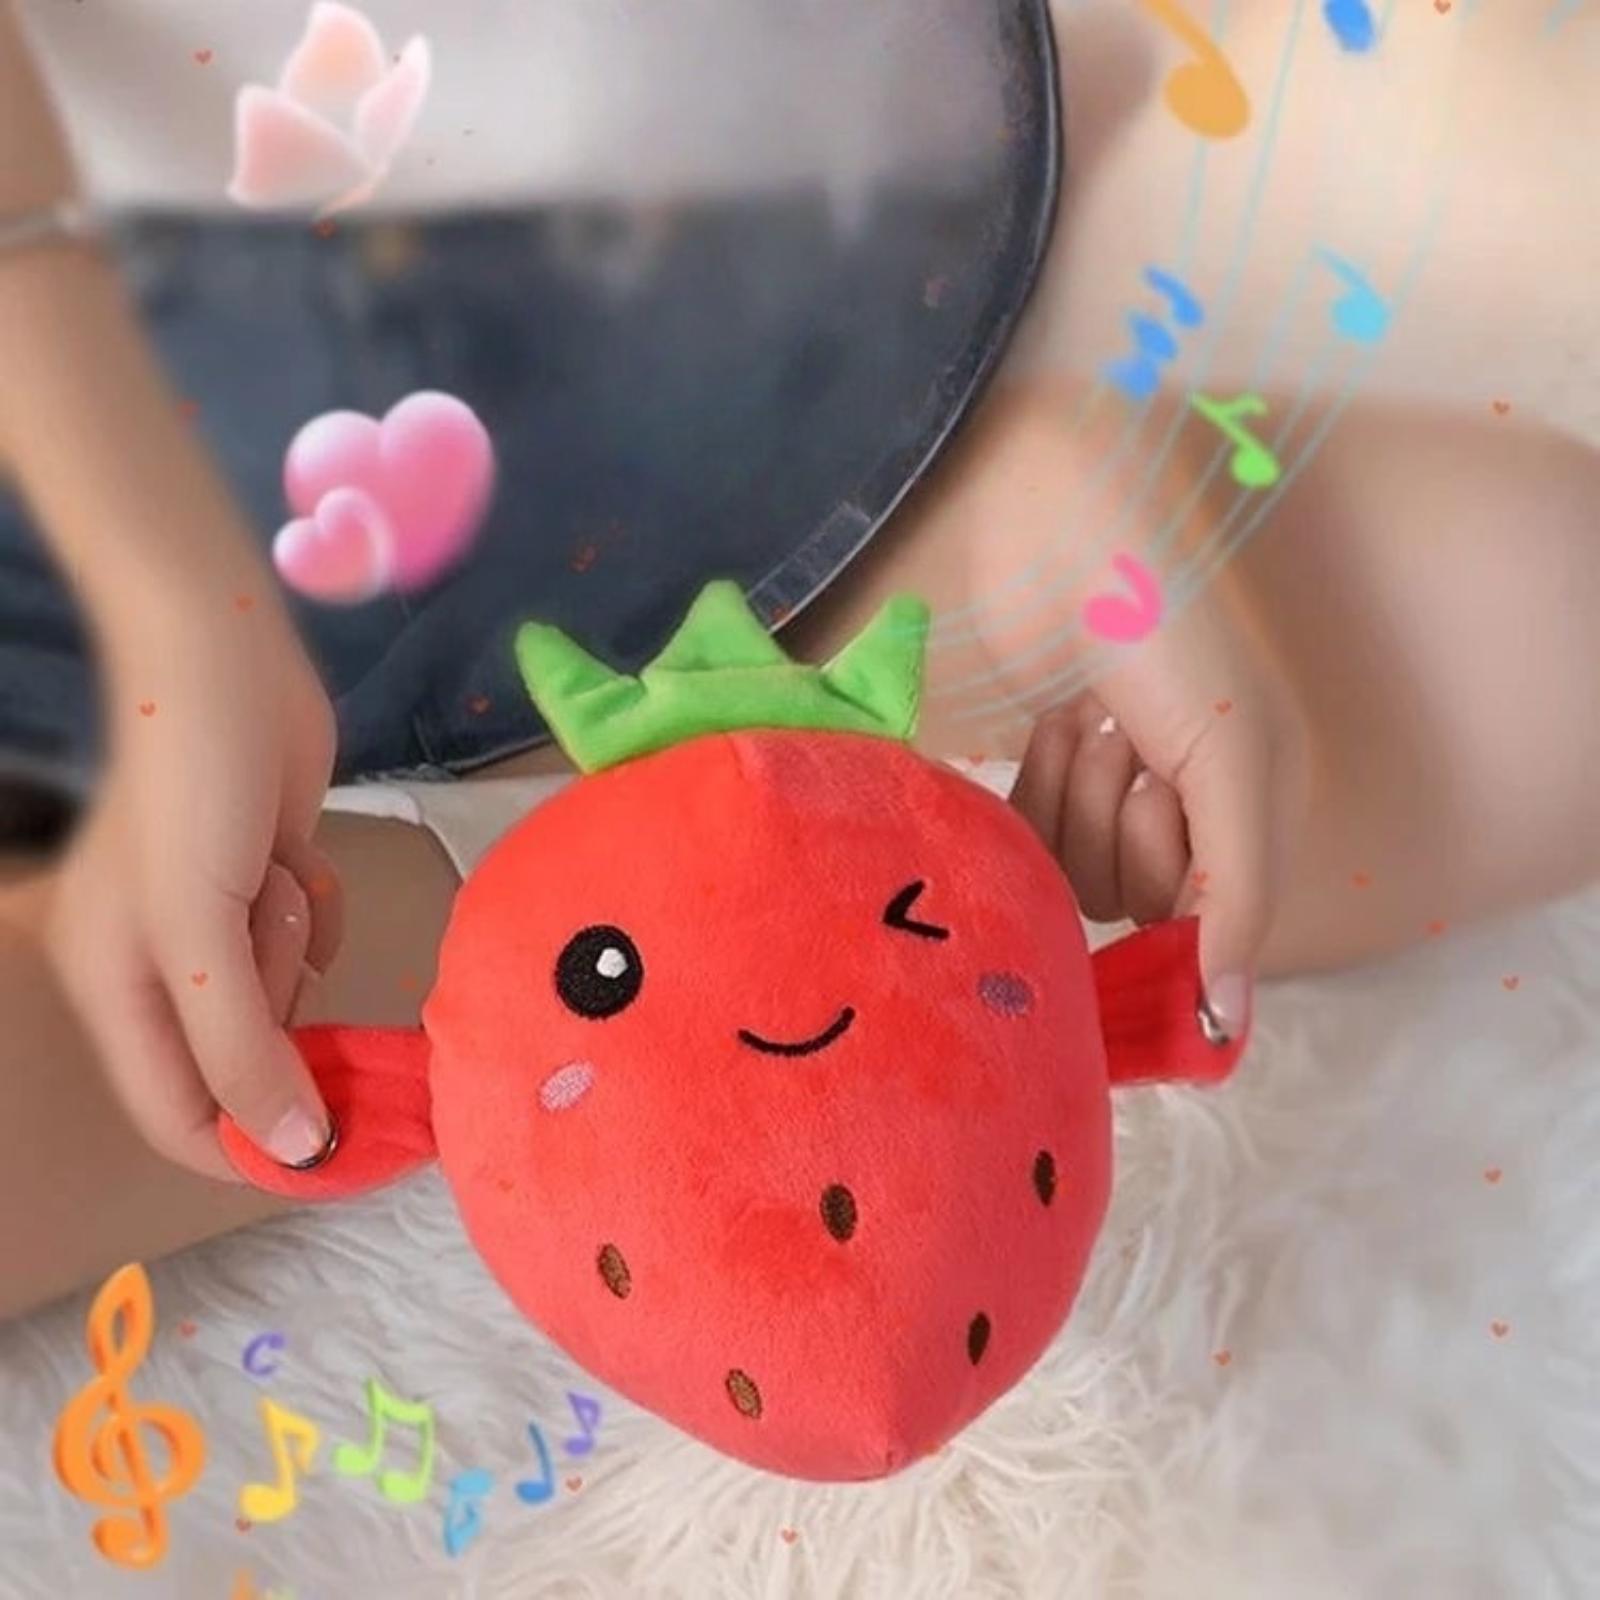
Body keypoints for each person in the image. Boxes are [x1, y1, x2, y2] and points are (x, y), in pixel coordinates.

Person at [2, 0, 1597, 1321]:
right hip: (79, 444)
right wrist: (161, 587)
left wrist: (1006, 518)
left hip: (727, 317)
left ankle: (651, 835)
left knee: (1549, 642)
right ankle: (590, 898)